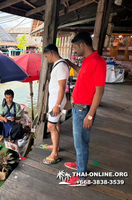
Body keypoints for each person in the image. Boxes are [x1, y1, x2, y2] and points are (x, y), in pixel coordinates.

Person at [64, 32, 106, 186]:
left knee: (81, 143)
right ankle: (79, 163)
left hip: (84, 110)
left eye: (75, 46)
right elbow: (82, 73)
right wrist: (71, 64)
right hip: (78, 108)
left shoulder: (98, 62)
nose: (74, 50)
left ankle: (82, 177)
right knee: (79, 142)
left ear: (82, 45)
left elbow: (100, 91)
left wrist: (90, 115)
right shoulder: (88, 60)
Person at [40, 44, 69, 165]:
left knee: (51, 126)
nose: (47, 59)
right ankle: (55, 146)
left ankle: (55, 154)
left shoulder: (61, 66)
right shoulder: (59, 64)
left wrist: (57, 105)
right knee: (55, 123)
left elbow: (62, 87)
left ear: (51, 53)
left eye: (46, 56)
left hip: (57, 100)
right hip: (55, 99)